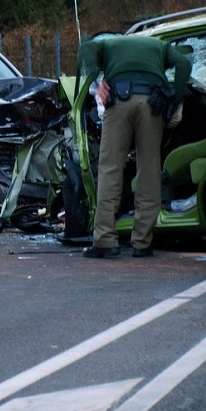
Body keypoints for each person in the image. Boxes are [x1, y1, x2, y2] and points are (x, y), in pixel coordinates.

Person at [79, 34, 190, 258]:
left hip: (119, 100)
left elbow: (86, 48)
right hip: (153, 104)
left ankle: (105, 241)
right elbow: (184, 64)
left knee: (111, 168)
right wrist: (177, 100)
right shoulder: (161, 46)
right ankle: (142, 242)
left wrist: (96, 80)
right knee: (149, 170)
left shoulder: (107, 44)